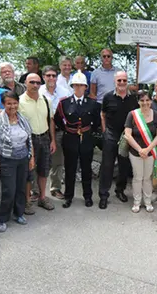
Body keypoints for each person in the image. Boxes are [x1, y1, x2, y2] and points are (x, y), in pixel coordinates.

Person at [0, 92, 35, 232]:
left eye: (15, 103)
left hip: (23, 158)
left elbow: (29, 140)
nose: (12, 106)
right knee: (9, 190)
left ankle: (19, 213)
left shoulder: (23, 119)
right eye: (9, 103)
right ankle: (2, 218)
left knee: (21, 188)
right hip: (7, 159)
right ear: (3, 104)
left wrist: (31, 158)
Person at [54, 73, 100, 208]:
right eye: (76, 85)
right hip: (70, 138)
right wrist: (70, 130)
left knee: (86, 168)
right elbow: (58, 120)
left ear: (85, 87)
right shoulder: (64, 103)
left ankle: (88, 196)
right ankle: (68, 196)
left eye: (81, 85)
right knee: (70, 169)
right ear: (72, 86)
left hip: (86, 138)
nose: (78, 87)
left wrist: (86, 131)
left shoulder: (93, 104)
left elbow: (96, 122)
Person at [99, 71, 138, 208]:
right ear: (115, 81)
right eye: (119, 80)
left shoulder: (133, 99)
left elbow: (137, 117)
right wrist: (104, 131)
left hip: (127, 137)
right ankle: (103, 195)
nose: (122, 83)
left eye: (124, 80)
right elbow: (102, 114)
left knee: (124, 166)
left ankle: (120, 190)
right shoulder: (108, 97)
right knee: (107, 166)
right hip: (111, 135)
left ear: (127, 82)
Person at [18, 73, 56, 211]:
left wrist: (53, 140)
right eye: (32, 82)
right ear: (26, 83)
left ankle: (42, 198)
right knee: (28, 171)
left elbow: (51, 121)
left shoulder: (46, 100)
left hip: (45, 137)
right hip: (28, 139)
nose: (35, 85)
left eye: (38, 83)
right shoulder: (20, 101)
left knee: (44, 170)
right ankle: (27, 201)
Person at [124, 90, 157, 213]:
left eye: (147, 100)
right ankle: (136, 202)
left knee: (147, 178)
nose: (145, 103)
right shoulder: (132, 115)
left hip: (150, 152)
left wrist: (148, 149)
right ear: (138, 101)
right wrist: (140, 149)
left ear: (151, 101)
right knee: (137, 177)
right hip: (136, 152)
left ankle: (147, 201)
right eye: (142, 100)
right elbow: (128, 135)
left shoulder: (156, 115)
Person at [40, 66, 70, 199]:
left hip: (58, 131)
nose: (51, 78)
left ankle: (55, 188)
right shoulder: (38, 91)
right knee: (38, 161)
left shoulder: (64, 92)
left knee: (58, 161)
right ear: (43, 77)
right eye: (48, 75)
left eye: (53, 75)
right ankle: (35, 191)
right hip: (41, 130)